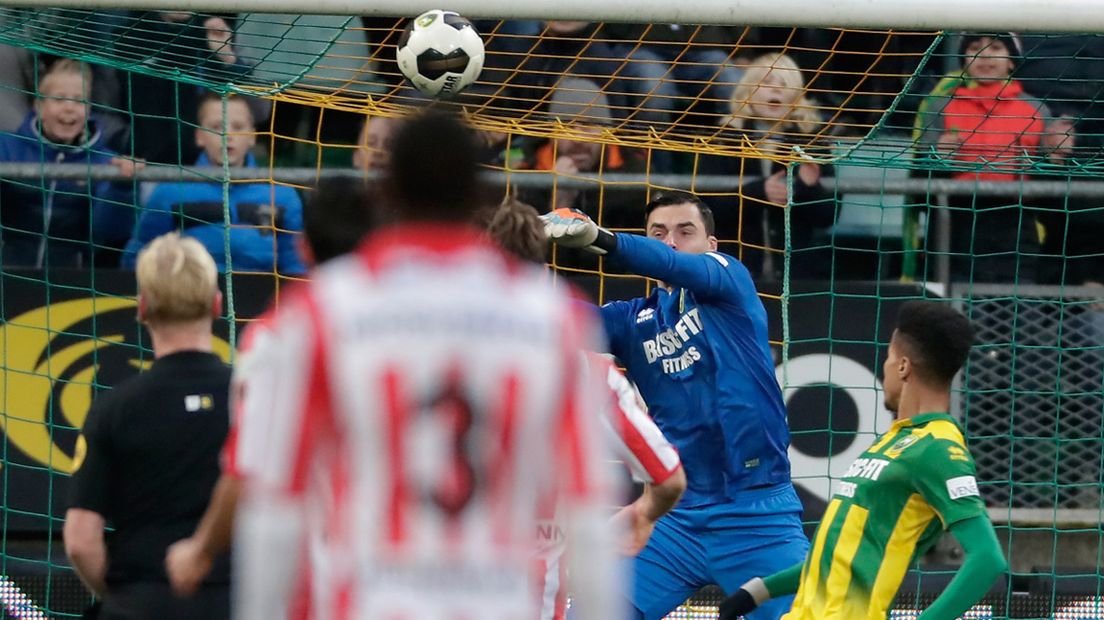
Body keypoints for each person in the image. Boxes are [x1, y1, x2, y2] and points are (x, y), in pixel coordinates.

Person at [230, 110, 620, 620]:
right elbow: (588, 506)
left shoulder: (324, 313)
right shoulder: (554, 320)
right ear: (477, 193)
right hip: (501, 601)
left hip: (373, 601)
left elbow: (276, 503)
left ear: (387, 193)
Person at [542, 192, 809, 620]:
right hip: (674, 521)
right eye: (659, 233)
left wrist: (604, 239)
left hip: (758, 518)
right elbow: (555, 318)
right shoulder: (633, 319)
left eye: (686, 232)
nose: (670, 243)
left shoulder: (729, 281)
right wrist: (499, 265)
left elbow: (669, 264)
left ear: (711, 245)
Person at [718, 300, 1007, 620]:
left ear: (903, 366)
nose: (885, 367)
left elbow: (988, 559)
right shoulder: (893, 441)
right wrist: (757, 591)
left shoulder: (939, 449)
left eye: (888, 357)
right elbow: (838, 555)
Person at [164, 176, 377, 602]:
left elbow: (248, 467)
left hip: (312, 579)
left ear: (303, 249)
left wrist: (200, 550)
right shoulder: (421, 338)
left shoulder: (281, 335)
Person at [484, 197, 686, 618]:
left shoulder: (397, 361)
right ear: (543, 276)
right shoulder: (584, 374)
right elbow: (668, 479)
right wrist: (642, 515)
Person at [64, 232, 231, 620]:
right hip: (238, 601)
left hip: (144, 601)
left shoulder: (113, 409)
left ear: (143, 309)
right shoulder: (252, 399)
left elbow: (80, 541)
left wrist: (125, 598)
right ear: (216, 304)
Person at [913, 33, 1074, 284]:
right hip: (952, 227)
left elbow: (1051, 195)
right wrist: (938, 158)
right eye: (975, 47)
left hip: (1016, 227)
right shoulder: (939, 106)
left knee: (1013, 310)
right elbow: (918, 184)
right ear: (963, 60)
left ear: (1012, 61)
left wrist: (1056, 156)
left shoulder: (1036, 110)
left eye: (996, 47)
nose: (985, 55)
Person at [122, 93, 305, 275]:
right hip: (188, 297)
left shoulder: (283, 196)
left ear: (253, 136)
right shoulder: (170, 193)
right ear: (199, 136)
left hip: (264, 298)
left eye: (238, 127)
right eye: (217, 127)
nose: (228, 135)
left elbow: (297, 266)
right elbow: (139, 260)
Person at [697, 52, 837, 281]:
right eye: (766, 82)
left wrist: (807, 188)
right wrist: (759, 192)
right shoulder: (725, 139)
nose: (776, 90)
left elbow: (828, 216)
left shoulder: (811, 140)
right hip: (734, 273)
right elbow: (706, 207)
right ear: (748, 90)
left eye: (784, 84)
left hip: (796, 277)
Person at [0, 58, 137, 268]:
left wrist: (122, 189)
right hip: (7, 273)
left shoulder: (107, 160)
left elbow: (110, 232)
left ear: (89, 110)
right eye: (59, 99)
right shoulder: (7, 146)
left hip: (71, 280)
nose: (70, 108)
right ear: (39, 105)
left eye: (79, 100)